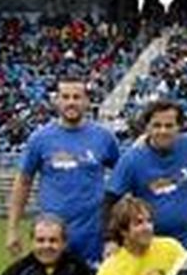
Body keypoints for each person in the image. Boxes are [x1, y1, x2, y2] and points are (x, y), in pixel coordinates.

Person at [7, 76, 119, 264]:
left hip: (94, 235)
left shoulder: (104, 138)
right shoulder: (40, 139)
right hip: (52, 236)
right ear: (57, 101)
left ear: (87, 101)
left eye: (77, 97)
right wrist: (12, 229)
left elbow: (123, 178)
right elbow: (23, 182)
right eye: (65, 97)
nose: (71, 102)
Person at [106, 100, 187, 249]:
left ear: (179, 127)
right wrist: (111, 240)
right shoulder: (132, 159)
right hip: (150, 247)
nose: (163, 131)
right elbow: (110, 200)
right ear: (147, 128)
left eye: (169, 126)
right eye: (156, 125)